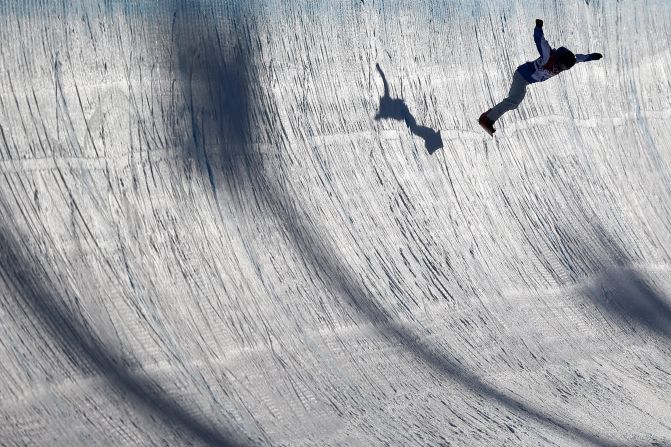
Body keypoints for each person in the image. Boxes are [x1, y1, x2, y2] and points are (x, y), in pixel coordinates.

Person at [478, 19, 603, 135]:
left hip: (526, 81)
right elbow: (540, 40)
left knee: (513, 103)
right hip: (522, 76)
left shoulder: (567, 62)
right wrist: (538, 27)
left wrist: (592, 56)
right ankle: (487, 119)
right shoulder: (549, 56)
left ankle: (489, 115)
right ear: (558, 58)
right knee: (512, 102)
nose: (560, 68)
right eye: (560, 65)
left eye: (564, 68)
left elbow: (579, 58)